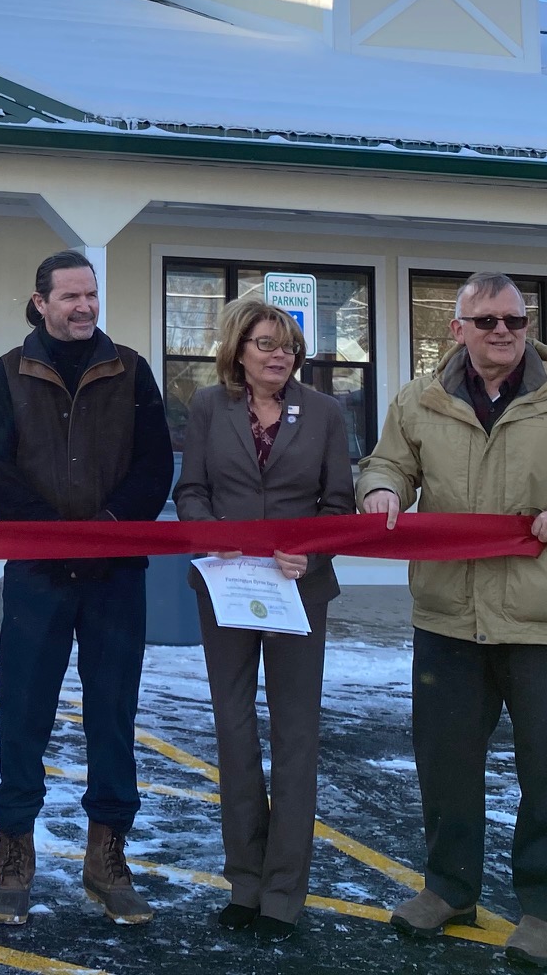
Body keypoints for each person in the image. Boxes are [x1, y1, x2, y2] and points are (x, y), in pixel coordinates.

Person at [356, 271, 547, 970]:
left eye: (514, 319)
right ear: (458, 330)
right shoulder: (419, 401)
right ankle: (450, 890)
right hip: (447, 617)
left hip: (538, 619)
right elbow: (387, 464)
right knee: (446, 763)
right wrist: (382, 490)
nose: (503, 331)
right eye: (486, 321)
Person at [0, 249, 173, 927]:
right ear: (41, 303)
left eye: (91, 295)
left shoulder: (132, 371)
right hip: (37, 575)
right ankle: (14, 858)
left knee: (112, 716)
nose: (84, 306)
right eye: (70, 296)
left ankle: (107, 861)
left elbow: (154, 467)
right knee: (22, 715)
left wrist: (106, 532)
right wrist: (56, 541)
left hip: (116, 575)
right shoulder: (8, 373)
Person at [173, 295, 354, 941]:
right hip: (227, 589)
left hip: (297, 591)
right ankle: (244, 883)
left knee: (295, 737)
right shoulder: (207, 407)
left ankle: (282, 894)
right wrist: (211, 532)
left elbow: (339, 505)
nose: (280, 356)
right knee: (234, 730)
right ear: (238, 350)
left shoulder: (326, 412)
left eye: (289, 346)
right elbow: (190, 491)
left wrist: (311, 549)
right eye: (266, 344)